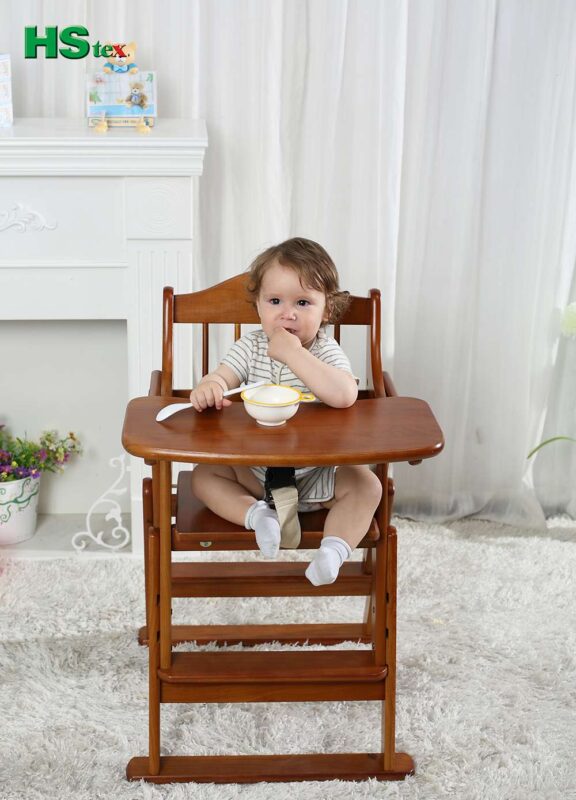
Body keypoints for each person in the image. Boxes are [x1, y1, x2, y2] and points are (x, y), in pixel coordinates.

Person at [189, 237, 382, 586]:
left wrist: (294, 354)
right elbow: (223, 375)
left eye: (303, 302)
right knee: (202, 476)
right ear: (259, 306)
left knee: (368, 485)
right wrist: (210, 386)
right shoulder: (251, 346)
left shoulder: (324, 350)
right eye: (275, 301)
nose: (287, 312)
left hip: (319, 473)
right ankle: (258, 516)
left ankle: (332, 553)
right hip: (257, 473)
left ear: (327, 310)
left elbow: (344, 395)